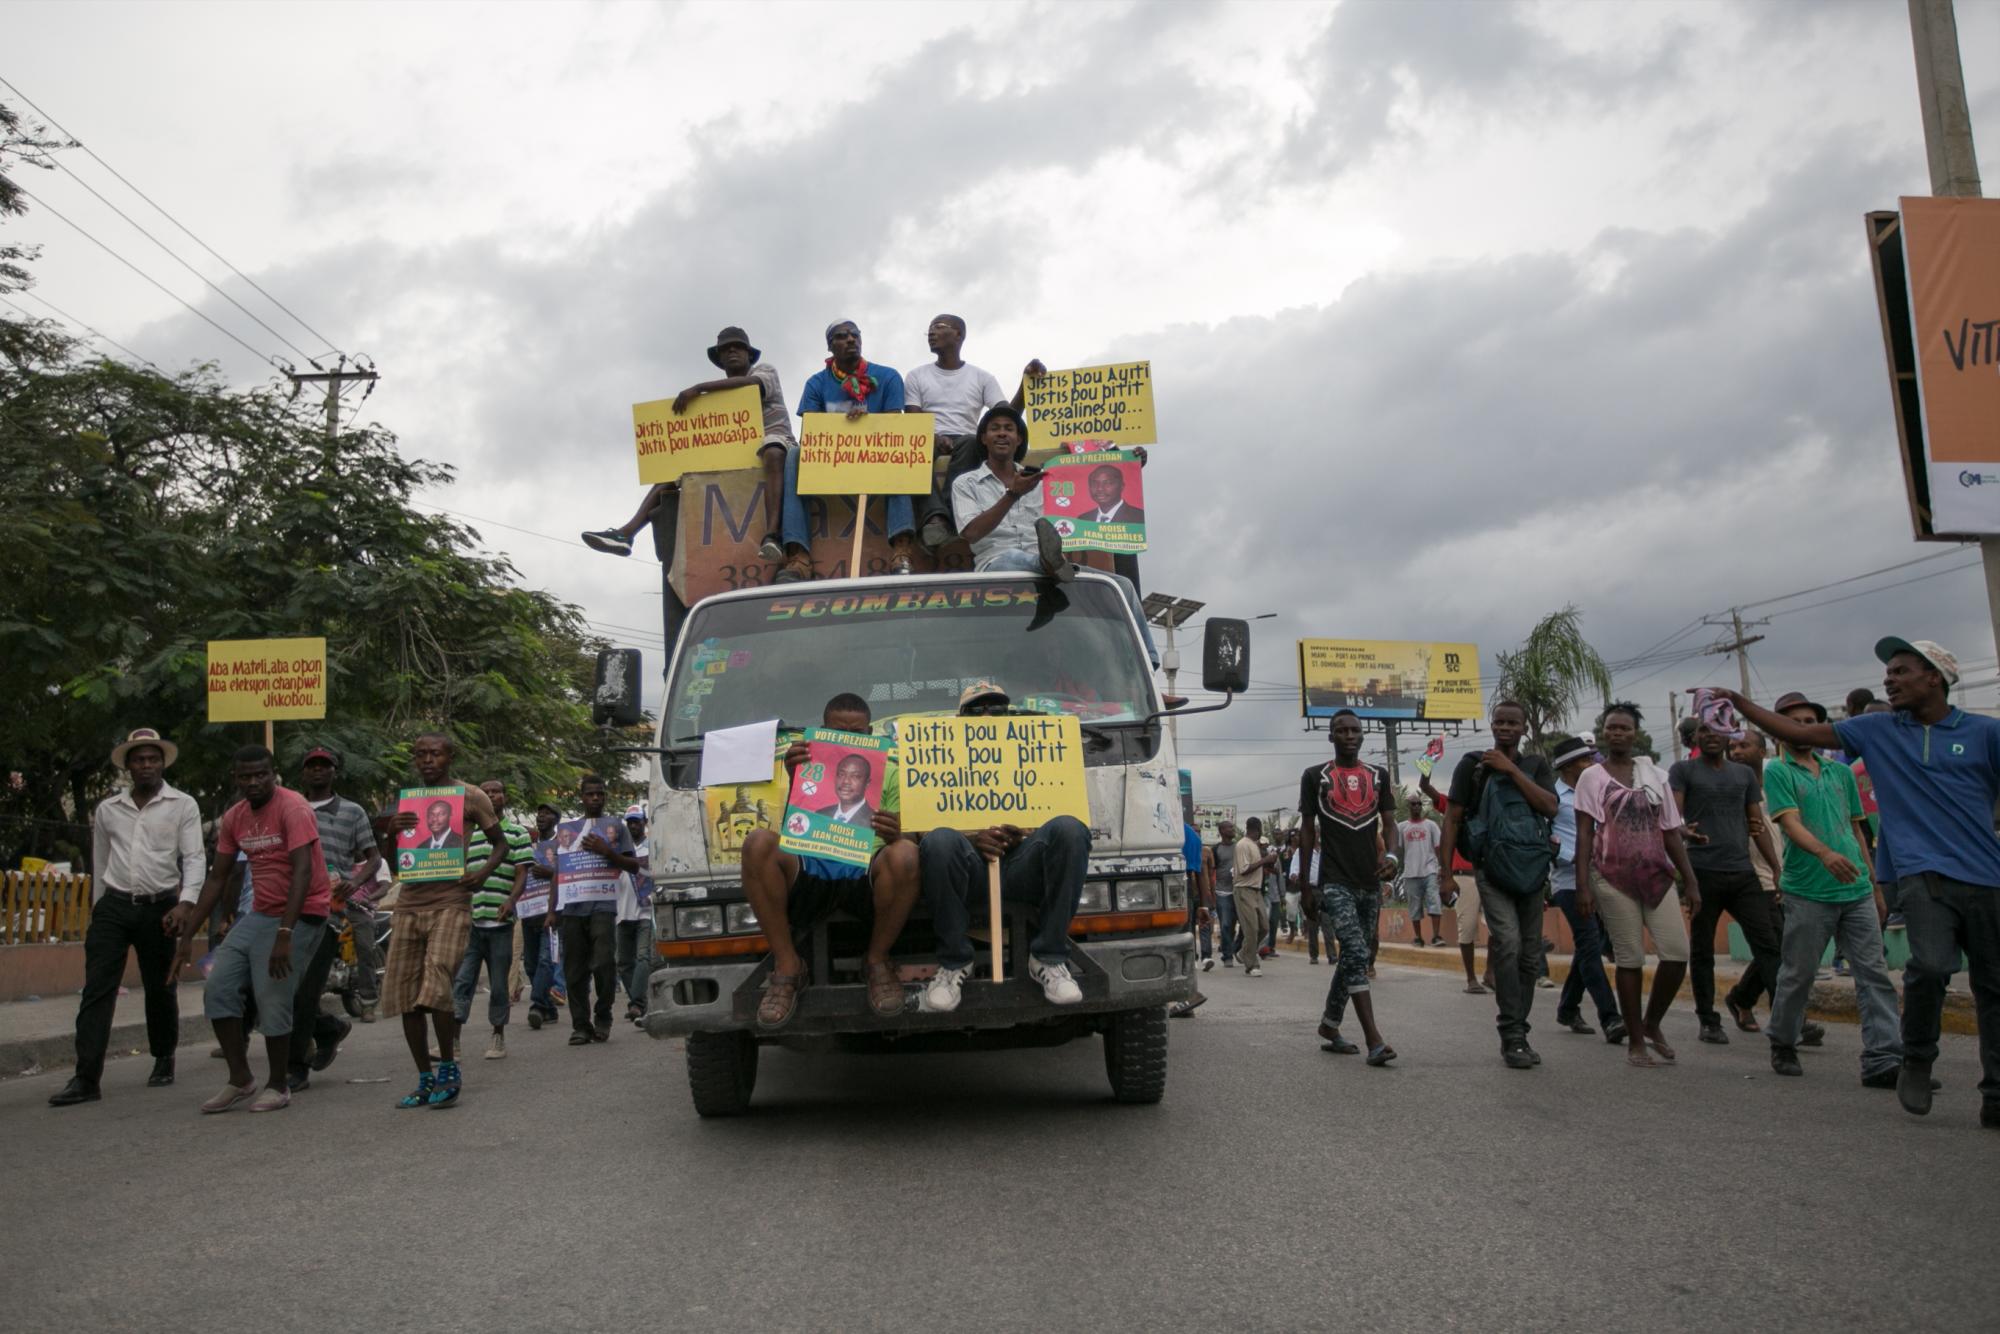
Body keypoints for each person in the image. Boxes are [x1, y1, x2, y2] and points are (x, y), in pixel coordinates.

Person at [1713, 638, 2000, 1125]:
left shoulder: (1984, 733)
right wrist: (1741, 704)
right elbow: (1794, 731)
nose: (1889, 678)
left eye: (1901, 670)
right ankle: (1914, 1056)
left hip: (1985, 876)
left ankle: (1994, 1093)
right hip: (1917, 874)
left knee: (1993, 986)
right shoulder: (1877, 730)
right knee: (1929, 967)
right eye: (1887, 672)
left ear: (1935, 678)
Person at [167, 745, 332, 1114]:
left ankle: (278, 1085)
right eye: (246, 776)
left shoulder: (294, 808)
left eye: (262, 774)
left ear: (274, 774)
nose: (254, 782)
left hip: (303, 912)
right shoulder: (235, 817)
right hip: (260, 912)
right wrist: (186, 939)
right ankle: (241, 1079)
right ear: (236, 779)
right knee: (218, 987)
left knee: (273, 992)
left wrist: (285, 935)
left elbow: (303, 872)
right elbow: (217, 878)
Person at [741, 692, 922, 1027]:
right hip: (812, 870)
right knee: (757, 844)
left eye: (857, 734)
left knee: (907, 854)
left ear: (869, 735)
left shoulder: (893, 775)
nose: (849, 741)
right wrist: (796, 777)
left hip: (868, 874)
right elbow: (795, 829)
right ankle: (787, 966)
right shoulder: (806, 763)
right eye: (839, 733)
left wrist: (899, 833)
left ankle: (877, 960)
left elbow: (909, 842)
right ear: (823, 730)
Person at [49, 729, 205, 1108]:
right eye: (139, 760)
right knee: (97, 989)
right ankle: (86, 1077)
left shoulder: (182, 805)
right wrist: (98, 909)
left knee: (159, 986)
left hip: (161, 906)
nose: (147, 765)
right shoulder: (108, 810)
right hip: (115, 906)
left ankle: (164, 1056)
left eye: (153, 759)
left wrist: (185, 903)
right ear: (129, 766)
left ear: (162, 763)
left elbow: (195, 857)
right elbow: (100, 858)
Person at [1758, 691, 1905, 1085]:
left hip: (1855, 889)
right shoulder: (1778, 771)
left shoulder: (1840, 772)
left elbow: (1856, 828)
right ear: (1781, 729)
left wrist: (1873, 884)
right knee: (1799, 973)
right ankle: (1784, 1040)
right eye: (1795, 721)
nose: (1804, 728)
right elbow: (1790, 823)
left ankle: (1884, 1057)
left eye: (1810, 722)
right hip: (1808, 891)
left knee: (1873, 974)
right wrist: (1824, 854)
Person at [949, 403, 1160, 668]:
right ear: (983, 438)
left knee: (1123, 586)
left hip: (1050, 567)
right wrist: (1012, 494)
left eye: (1009, 429)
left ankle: (1149, 666)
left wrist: (1128, 465)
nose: (1002, 434)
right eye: (995, 429)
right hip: (997, 565)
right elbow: (971, 533)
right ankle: (1048, 563)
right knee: (1015, 556)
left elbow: (1087, 489)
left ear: (1019, 439)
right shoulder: (965, 483)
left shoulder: (1043, 480)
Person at [920, 683, 1090, 1010]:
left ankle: (1049, 958)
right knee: (939, 840)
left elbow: (1053, 815)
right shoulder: (934, 758)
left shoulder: (1037, 753)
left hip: (1020, 866)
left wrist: (1023, 836)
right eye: (975, 709)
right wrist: (972, 839)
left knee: (1070, 829)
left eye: (996, 710)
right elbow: (920, 832)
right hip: (966, 871)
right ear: (959, 717)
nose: (986, 716)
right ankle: (954, 963)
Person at [583, 326, 793, 563]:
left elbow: (753, 385)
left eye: (738, 347)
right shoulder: (714, 403)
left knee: (773, 449)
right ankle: (626, 533)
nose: (732, 351)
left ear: (749, 354)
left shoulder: (764, 371)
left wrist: (699, 388)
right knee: (677, 467)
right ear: (720, 359)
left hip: (774, 446)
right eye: (725, 349)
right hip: (736, 456)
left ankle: (773, 536)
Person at [381, 732, 510, 1109]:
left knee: (438, 979)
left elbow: (500, 844)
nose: (427, 760)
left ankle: (449, 1068)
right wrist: (391, 833)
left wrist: (483, 873)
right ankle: (424, 1076)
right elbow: (395, 863)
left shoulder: (471, 796)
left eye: (435, 754)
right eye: (421, 754)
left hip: (452, 900)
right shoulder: (408, 802)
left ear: (450, 756)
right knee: (406, 994)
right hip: (409, 902)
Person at [1573, 703, 1702, 1070]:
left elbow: (1672, 833)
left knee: (1677, 953)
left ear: (1635, 734)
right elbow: (1584, 834)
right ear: (1603, 732)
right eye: (1612, 727)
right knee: (1630, 959)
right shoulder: (1591, 778)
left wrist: (1690, 881)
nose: (1618, 733)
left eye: (1625, 728)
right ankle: (1634, 1040)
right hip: (1611, 877)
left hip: (1657, 877)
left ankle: (1652, 1023)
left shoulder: (1656, 775)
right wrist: (1583, 886)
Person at [1437, 700, 1559, 1069]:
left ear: (1523, 729)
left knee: (1530, 953)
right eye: (1499, 722)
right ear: (1492, 725)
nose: (1505, 728)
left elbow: (1550, 806)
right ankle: (1512, 1034)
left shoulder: (1535, 765)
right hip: (1490, 869)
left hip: (1532, 869)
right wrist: (1445, 875)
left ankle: (1518, 1027)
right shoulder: (1472, 766)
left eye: (1513, 723)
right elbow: (1453, 819)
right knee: (1506, 942)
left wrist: (1510, 769)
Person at [1670, 722, 1786, 1045]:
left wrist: (1776, 867)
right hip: (1702, 872)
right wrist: (1682, 832)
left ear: (1729, 735)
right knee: (1703, 950)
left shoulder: (1743, 775)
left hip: (1743, 873)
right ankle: (1708, 1020)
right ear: (1695, 737)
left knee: (1769, 947)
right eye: (1703, 730)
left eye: (1717, 729)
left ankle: (1787, 1020)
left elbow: (1756, 825)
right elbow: (1672, 818)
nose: (1710, 735)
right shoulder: (1683, 770)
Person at [775, 319, 916, 582]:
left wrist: (868, 422)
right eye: (842, 336)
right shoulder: (816, 383)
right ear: (830, 346)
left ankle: (901, 549)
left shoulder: (888, 376)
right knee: (794, 454)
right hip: (833, 460)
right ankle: (798, 556)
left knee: (903, 448)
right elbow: (812, 432)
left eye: (854, 335)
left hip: (878, 455)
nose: (850, 340)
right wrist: (845, 423)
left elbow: (896, 426)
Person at [1301, 710, 1397, 1066]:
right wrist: (1309, 887)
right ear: (1331, 737)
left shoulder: (1379, 776)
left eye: (1355, 730)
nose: (1349, 735)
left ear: (1362, 735)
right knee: (1356, 953)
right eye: (1341, 730)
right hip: (1335, 881)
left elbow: (1390, 823)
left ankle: (1329, 1025)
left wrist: (1393, 856)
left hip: (1370, 882)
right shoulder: (1314, 777)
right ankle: (1374, 1039)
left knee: (1356, 955)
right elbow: (1307, 831)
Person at [285, 746, 383, 1091]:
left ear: (334, 772)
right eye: (311, 765)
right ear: (302, 772)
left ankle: (296, 1067)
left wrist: (354, 883)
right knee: (277, 986)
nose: (317, 771)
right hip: (284, 905)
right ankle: (327, 1028)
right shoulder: (287, 806)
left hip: (326, 907)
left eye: (324, 766)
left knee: (305, 987)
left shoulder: (352, 812)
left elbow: (373, 857)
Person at [903, 314, 1015, 550]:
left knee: (970, 442)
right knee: (913, 446)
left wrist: (1026, 386)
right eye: (929, 329)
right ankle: (936, 517)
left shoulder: (982, 377)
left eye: (939, 327)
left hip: (966, 439)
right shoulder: (916, 375)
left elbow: (1005, 414)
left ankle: (944, 519)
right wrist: (934, 436)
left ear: (959, 335)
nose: (931, 333)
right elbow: (912, 418)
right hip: (927, 436)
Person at [551, 774, 642, 1047]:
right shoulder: (567, 830)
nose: (595, 799)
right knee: (574, 969)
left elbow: (634, 866)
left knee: (604, 962)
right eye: (590, 794)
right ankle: (581, 1025)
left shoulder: (616, 827)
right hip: (572, 908)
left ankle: (603, 1016)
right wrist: (552, 909)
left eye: (600, 794)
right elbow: (559, 872)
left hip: (603, 904)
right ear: (582, 797)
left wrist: (607, 852)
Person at [1545, 735, 1625, 1044]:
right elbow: (1547, 840)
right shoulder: (1552, 797)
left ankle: (1567, 1007)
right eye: (1585, 760)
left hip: (1604, 876)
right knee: (1590, 944)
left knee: (1592, 943)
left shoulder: (1599, 792)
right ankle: (1611, 1017)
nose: (1592, 764)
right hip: (1568, 881)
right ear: (1568, 766)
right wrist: (1573, 858)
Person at [451, 780, 534, 1061]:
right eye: (485, 792)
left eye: (496, 791)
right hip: (471, 921)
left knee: (499, 984)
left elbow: (522, 873)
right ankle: (453, 1040)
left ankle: (498, 1035)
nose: (491, 795)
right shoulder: (468, 833)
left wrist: (511, 901)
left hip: (501, 924)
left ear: (504, 797)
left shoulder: (517, 833)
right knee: (462, 981)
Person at [1421, 769, 1491, 988]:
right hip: (1465, 877)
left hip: (1490, 873)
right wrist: (1428, 763)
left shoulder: (1491, 805)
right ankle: (1471, 978)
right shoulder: (1454, 807)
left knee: (1498, 927)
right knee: (1468, 926)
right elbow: (1426, 787)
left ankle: (1490, 973)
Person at [518, 803, 561, 1030]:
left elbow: (571, 872)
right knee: (531, 964)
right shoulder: (526, 846)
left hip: (550, 913)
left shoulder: (561, 845)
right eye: (539, 812)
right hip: (528, 913)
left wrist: (550, 872)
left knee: (546, 960)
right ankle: (549, 1009)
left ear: (556, 819)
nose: (541, 816)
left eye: (547, 814)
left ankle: (536, 1005)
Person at [1168, 797, 1211, 1019]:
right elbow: (1200, 873)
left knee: (1174, 947)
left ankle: (1189, 993)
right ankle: (1186, 996)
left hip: (1169, 893)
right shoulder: (1191, 836)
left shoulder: (1164, 830)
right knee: (1184, 945)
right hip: (1186, 894)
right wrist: (1203, 906)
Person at [615, 804, 655, 1026]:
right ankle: (641, 1005)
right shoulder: (619, 848)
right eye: (629, 822)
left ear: (644, 823)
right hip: (622, 911)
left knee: (642, 957)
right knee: (623, 962)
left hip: (645, 911)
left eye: (636, 821)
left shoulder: (653, 847)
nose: (633, 825)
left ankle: (637, 1003)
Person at [1230, 817, 1277, 977]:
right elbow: (1244, 869)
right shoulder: (1243, 845)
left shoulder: (1255, 846)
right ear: (1257, 828)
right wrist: (1265, 860)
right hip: (1244, 890)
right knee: (1251, 929)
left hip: (1256, 890)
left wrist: (1270, 862)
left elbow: (1261, 867)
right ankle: (1252, 965)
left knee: (1264, 927)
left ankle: (1244, 952)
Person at [1396, 799, 1444, 948]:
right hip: (1410, 872)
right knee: (1414, 907)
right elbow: (1397, 849)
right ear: (1408, 806)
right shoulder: (1402, 827)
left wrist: (1442, 867)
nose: (1416, 806)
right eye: (1413, 804)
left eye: (1419, 804)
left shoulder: (1431, 825)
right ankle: (1418, 937)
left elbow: (1438, 847)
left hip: (1430, 870)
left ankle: (1436, 936)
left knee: (1434, 901)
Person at [1206, 818, 1239, 968]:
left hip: (1239, 891)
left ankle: (1236, 948)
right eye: (1229, 828)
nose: (1232, 829)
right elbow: (1211, 871)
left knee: (1244, 924)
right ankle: (1227, 955)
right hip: (1222, 892)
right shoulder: (1215, 849)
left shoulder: (1239, 847)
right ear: (1221, 831)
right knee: (1225, 924)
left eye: (1232, 827)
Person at [814, 754, 877, 826]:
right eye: (841, 774)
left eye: (855, 776)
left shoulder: (875, 822)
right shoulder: (820, 814)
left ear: (867, 783)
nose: (846, 781)